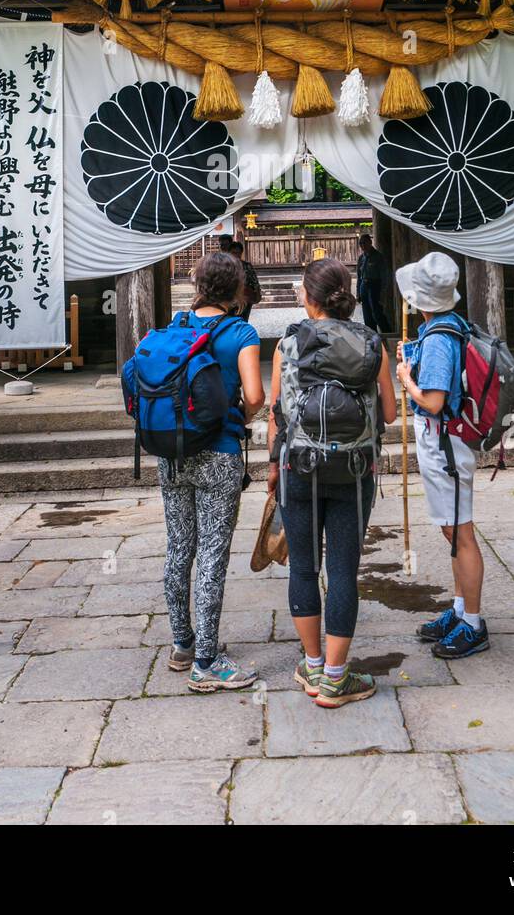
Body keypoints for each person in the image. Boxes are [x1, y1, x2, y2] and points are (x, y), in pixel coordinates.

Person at [267, 258, 398, 706]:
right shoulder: (371, 343)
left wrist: (272, 467)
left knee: (304, 567)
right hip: (355, 468)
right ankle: (338, 679)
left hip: (296, 468)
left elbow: (277, 413)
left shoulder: (287, 344)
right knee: (344, 571)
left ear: (308, 297)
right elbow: (391, 414)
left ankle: (314, 664)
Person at [160, 250, 266, 691]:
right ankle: (207, 661)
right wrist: (240, 411)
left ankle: (182, 644)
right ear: (237, 289)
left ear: (197, 284)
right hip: (220, 454)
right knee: (212, 554)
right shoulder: (240, 332)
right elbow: (256, 396)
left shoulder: (174, 329)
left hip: (172, 453)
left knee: (179, 547)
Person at [395, 251, 489, 659]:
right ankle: (458, 608)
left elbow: (432, 401)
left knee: (459, 533)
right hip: (448, 442)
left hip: (444, 443)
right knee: (453, 531)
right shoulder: (449, 327)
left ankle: (473, 622)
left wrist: (404, 379)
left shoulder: (437, 339)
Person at [355, 232, 392, 334]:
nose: (363, 246)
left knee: (376, 312)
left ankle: (387, 333)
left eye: (365, 243)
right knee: (366, 313)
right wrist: (358, 293)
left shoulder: (378, 256)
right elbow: (359, 276)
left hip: (375, 285)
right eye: (361, 244)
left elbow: (384, 275)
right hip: (364, 285)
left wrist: (383, 291)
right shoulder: (361, 258)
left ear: (370, 242)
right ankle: (372, 334)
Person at [230, 240, 262, 320]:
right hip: (230, 297)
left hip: (245, 296)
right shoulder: (225, 266)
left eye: (238, 253)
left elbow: (254, 281)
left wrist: (257, 294)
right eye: (234, 253)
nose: (236, 255)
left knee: (243, 319)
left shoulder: (246, 266)